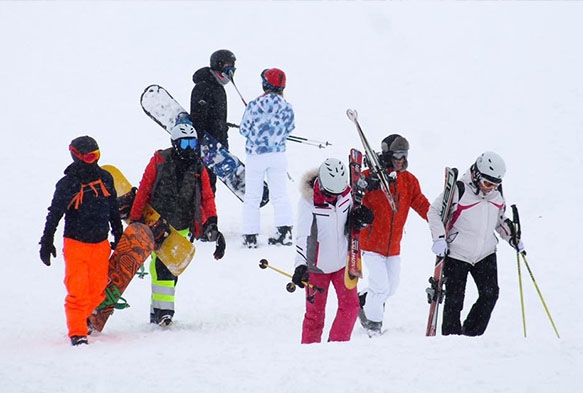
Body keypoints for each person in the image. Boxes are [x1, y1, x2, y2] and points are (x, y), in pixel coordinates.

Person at [129, 118, 226, 327]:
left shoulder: (198, 167)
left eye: (193, 143)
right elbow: (144, 189)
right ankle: (165, 312)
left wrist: (212, 223)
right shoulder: (160, 161)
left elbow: (208, 197)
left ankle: (157, 311)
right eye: (184, 144)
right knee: (163, 267)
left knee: (167, 268)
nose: (189, 149)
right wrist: (136, 219)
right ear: (175, 144)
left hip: (182, 226)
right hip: (158, 223)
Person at [428, 151, 525, 336]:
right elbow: (433, 212)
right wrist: (439, 238)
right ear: (476, 175)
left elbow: (499, 221)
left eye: (496, 185)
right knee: (455, 300)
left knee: (490, 295)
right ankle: (451, 339)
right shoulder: (459, 190)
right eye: (488, 183)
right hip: (458, 253)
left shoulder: (497, 195)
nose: (491, 189)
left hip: (485, 253)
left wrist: (512, 237)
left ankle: (471, 335)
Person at [40, 136, 123, 346]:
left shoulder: (106, 178)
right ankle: (77, 332)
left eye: (96, 156)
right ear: (76, 157)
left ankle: (84, 316)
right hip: (76, 244)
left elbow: (113, 208)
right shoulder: (67, 184)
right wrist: (47, 240)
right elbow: (55, 213)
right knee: (77, 291)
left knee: (97, 291)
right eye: (88, 157)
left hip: (100, 244)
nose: (93, 161)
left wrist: (118, 232)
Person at [292, 158, 374, 344]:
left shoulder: (347, 193)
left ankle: (336, 348)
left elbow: (352, 219)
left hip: (343, 264)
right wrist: (300, 265)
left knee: (351, 307)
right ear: (321, 183)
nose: (333, 197)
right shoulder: (308, 202)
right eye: (330, 193)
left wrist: (363, 218)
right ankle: (310, 355)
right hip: (316, 268)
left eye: (337, 193)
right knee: (315, 316)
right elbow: (303, 236)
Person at [358, 134, 430, 335]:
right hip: (371, 243)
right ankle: (372, 325)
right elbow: (352, 196)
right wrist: (365, 185)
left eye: (404, 155)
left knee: (391, 288)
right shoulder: (370, 176)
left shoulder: (409, 181)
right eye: (397, 155)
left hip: (393, 246)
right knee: (380, 286)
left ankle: (363, 300)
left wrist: (437, 221)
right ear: (388, 155)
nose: (401, 159)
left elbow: (421, 204)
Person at [239, 68, 295, 248]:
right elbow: (290, 128)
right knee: (280, 195)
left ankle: (250, 236)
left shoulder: (254, 105)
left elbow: (243, 130)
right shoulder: (287, 107)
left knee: (252, 197)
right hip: (277, 155)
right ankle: (284, 232)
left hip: (255, 156)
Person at [190, 49, 237, 194]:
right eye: (228, 66)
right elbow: (198, 119)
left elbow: (218, 119)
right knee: (200, 189)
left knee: (210, 190)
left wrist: (223, 141)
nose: (231, 70)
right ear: (218, 64)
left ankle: (208, 216)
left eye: (233, 66)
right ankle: (198, 216)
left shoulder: (219, 89)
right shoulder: (203, 87)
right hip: (203, 150)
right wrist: (196, 149)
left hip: (215, 149)